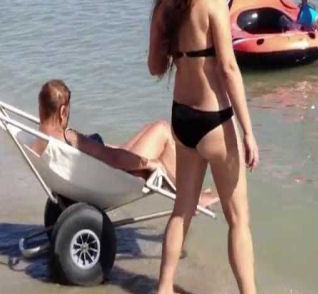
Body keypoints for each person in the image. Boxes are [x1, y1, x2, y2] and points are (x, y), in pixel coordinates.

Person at [147, 0, 275, 294]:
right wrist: (250, 131)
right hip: (215, 121)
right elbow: (230, 70)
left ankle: (164, 291)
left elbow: (153, 67)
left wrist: (181, 55)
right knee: (239, 218)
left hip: (181, 118)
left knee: (182, 209)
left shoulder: (166, 2)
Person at [33, 80, 218, 207]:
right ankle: (192, 198)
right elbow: (112, 159)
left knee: (152, 127)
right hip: (111, 178)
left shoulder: (39, 140)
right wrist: (147, 163)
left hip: (94, 175)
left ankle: (190, 192)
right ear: (62, 111)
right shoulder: (69, 136)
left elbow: (100, 155)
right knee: (162, 130)